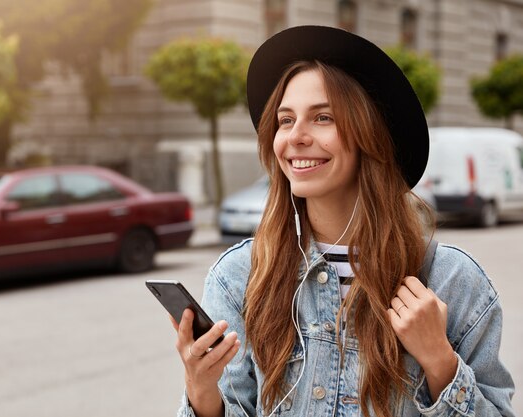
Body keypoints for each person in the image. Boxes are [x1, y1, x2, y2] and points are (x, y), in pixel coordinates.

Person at [169, 26, 515, 417]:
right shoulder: (238, 278)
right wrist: (201, 392)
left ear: (368, 135)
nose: (296, 136)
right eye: (285, 120)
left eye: (322, 117)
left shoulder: (452, 280)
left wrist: (440, 362)